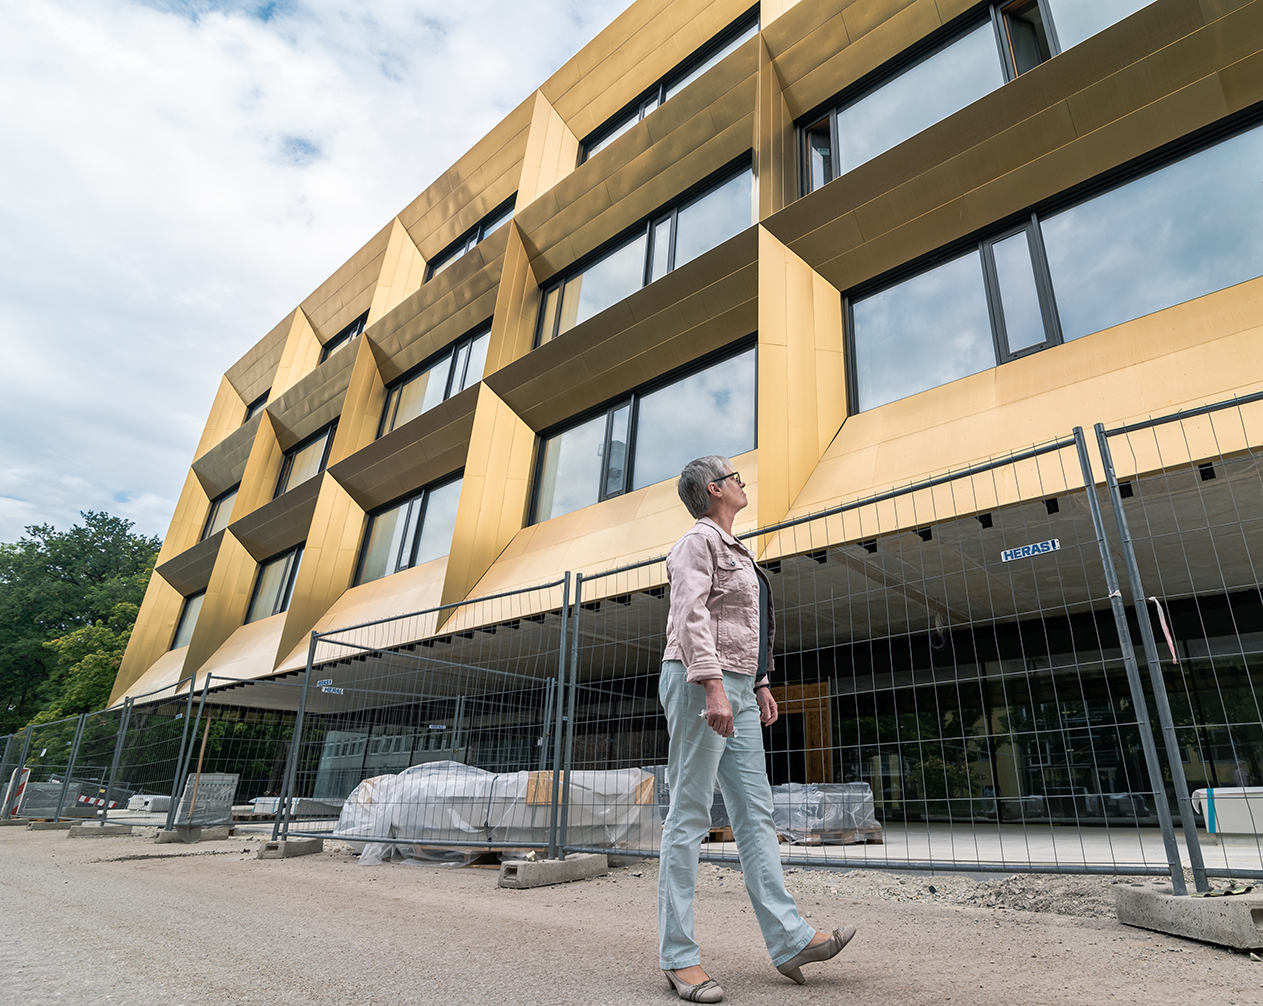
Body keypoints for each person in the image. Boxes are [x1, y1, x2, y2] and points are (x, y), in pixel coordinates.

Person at [658, 455, 856, 1003]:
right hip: (702, 680)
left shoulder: (738, 551)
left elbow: (746, 623)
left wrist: (760, 682)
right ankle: (678, 958)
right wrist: (714, 685)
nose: (745, 482)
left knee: (756, 813)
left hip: (740, 686)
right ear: (714, 489)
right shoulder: (696, 542)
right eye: (736, 476)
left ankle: (789, 940)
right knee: (690, 814)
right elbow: (691, 614)